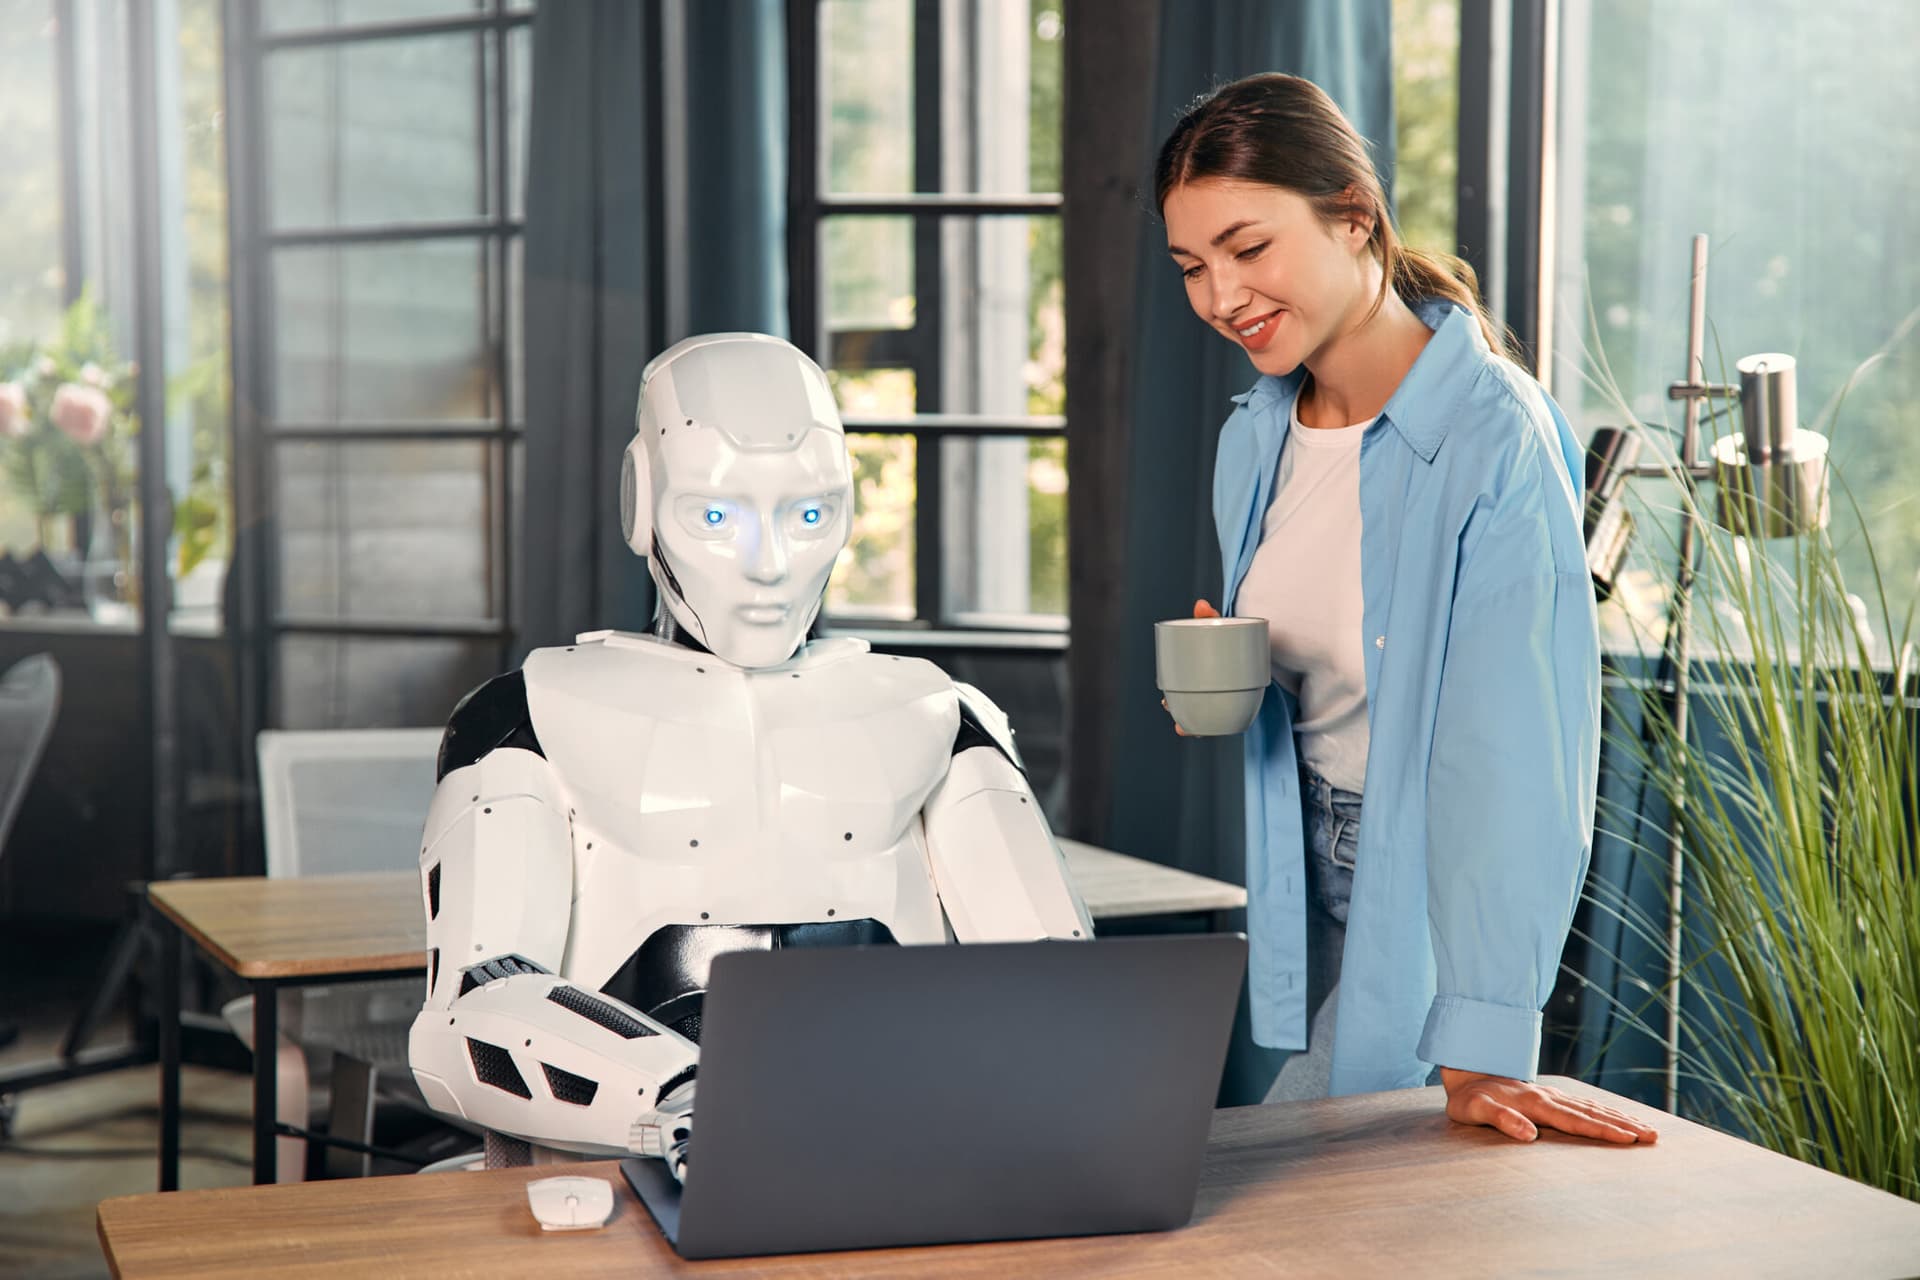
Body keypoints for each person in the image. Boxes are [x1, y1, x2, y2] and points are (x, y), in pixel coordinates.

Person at [408, 332, 1092, 1179]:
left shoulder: (939, 713)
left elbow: (1062, 985)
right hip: (625, 1166)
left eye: (808, 516)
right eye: (716, 517)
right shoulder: (530, 714)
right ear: (644, 498)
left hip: (901, 1157)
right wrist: (687, 1102)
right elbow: (474, 1006)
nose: (767, 566)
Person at [1155, 73, 1655, 1146]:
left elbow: (1516, 749)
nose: (1220, 295)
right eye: (1193, 266)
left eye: (1249, 248)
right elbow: (1331, 660)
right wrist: (1237, 670)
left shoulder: (1494, 437)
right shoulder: (1256, 431)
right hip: (1311, 864)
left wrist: (1482, 1044)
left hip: (1425, 876)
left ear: (1354, 217)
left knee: (1270, 1189)